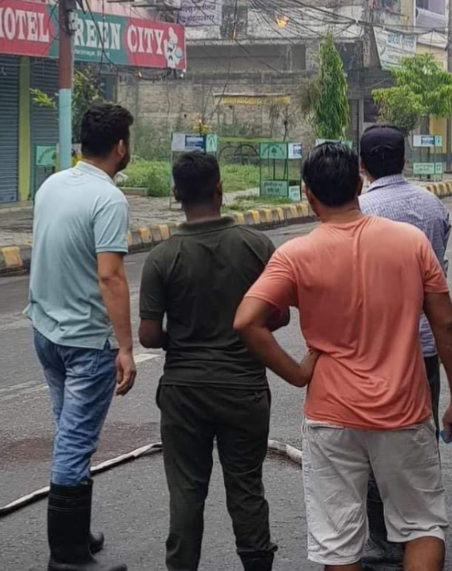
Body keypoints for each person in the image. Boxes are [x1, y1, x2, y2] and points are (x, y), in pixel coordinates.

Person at [234, 143, 452, 571]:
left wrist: (296, 374)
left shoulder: (295, 254)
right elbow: (448, 327)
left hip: (331, 417)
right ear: (359, 184)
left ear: (308, 194)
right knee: (421, 527)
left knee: (339, 543)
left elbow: (246, 321)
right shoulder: (411, 243)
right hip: (404, 411)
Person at [139, 151, 285, 571]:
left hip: (183, 392)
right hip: (244, 388)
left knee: (186, 492)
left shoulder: (162, 258)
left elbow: (149, 335)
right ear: (220, 189)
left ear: (175, 195)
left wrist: (184, 338)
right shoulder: (257, 247)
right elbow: (280, 314)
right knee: (246, 487)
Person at [25, 104, 137, 571]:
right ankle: (67, 556)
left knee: (70, 434)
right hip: (86, 343)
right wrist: (127, 348)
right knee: (75, 442)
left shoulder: (53, 184)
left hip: (45, 331)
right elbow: (111, 277)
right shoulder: (109, 200)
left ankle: (77, 534)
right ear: (120, 147)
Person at [358, 124, 452, 570]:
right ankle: (418, 528)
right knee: (419, 436)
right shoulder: (433, 207)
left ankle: (384, 539)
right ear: (404, 160)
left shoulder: (357, 210)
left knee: (374, 441)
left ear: (362, 166)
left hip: (373, 348)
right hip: (425, 346)